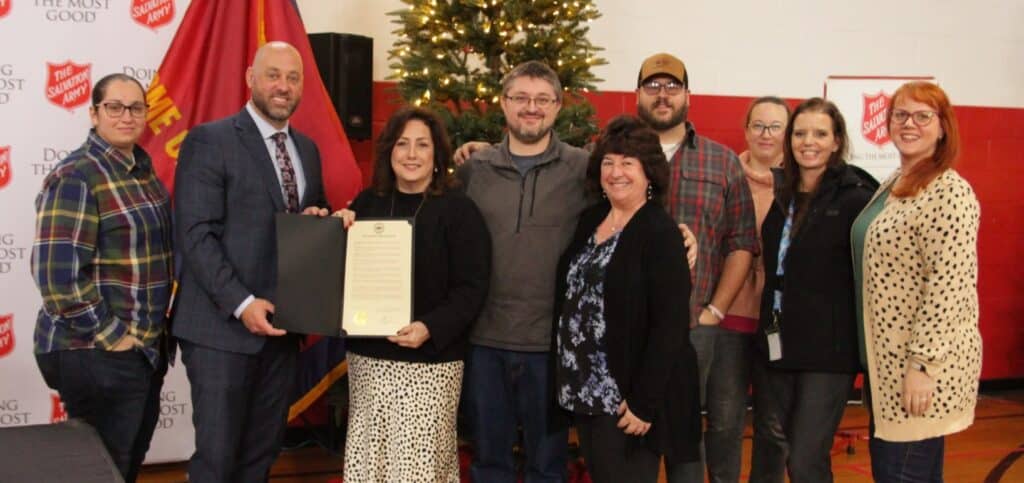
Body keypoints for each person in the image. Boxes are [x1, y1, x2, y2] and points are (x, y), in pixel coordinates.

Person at [172, 41, 330, 482]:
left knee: (259, 462)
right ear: (250, 78)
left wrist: (319, 218)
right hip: (221, 332)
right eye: (273, 74)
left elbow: (310, 221)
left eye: (293, 78)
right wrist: (243, 304)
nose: (283, 86)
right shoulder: (210, 140)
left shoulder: (308, 150)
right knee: (218, 462)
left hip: (282, 332)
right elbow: (196, 236)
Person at [332, 107, 491, 482]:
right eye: (402, 144)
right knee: (371, 466)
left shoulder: (459, 210)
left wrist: (429, 328)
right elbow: (341, 277)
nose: (411, 154)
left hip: (430, 363)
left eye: (422, 145)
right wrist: (336, 231)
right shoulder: (366, 204)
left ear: (437, 154)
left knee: (418, 469)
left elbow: (472, 288)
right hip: (370, 361)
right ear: (390, 151)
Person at [31, 73, 172, 483]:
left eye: (136, 108)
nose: (126, 116)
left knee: (123, 467)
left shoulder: (141, 170)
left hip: (140, 350)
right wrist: (113, 336)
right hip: (95, 350)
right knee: (101, 471)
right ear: (94, 113)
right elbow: (58, 277)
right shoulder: (78, 175)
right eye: (114, 107)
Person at [459, 60, 588, 482]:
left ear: (558, 106)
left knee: (547, 466)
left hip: (550, 345)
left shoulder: (584, 169)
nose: (531, 108)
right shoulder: (473, 169)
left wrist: (679, 232)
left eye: (542, 99)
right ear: (503, 103)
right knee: (488, 463)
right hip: (484, 342)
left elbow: (630, 215)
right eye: (521, 98)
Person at [553, 115, 701, 483]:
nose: (616, 172)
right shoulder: (592, 219)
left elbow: (670, 327)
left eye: (627, 163)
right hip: (584, 390)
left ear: (649, 172)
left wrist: (643, 403)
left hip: (624, 399)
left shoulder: (660, 233)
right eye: (608, 162)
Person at [634, 53, 759, 483]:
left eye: (672, 86)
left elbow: (742, 241)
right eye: (653, 86)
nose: (662, 95)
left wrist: (716, 310)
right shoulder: (614, 154)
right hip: (629, 325)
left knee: (685, 434)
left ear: (688, 95)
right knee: (630, 433)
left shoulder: (721, 162)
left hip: (694, 325)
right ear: (638, 94)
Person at [854, 81, 980, 482]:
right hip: (887, 367)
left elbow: (948, 287)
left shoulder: (949, 191)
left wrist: (923, 365)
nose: (910, 124)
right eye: (901, 115)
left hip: (916, 369)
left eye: (923, 116)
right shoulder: (897, 181)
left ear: (943, 128)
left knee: (901, 473)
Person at [754, 98, 875, 482]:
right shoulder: (784, 196)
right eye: (800, 133)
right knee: (786, 451)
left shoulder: (855, 198)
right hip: (780, 344)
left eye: (820, 134)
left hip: (828, 354)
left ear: (836, 141)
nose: (809, 142)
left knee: (806, 460)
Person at [728, 96, 794, 483]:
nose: (766, 134)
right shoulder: (727, 177)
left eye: (775, 127)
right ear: (747, 130)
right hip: (729, 320)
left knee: (773, 425)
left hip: (776, 325)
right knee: (726, 419)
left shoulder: (802, 185)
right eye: (758, 125)